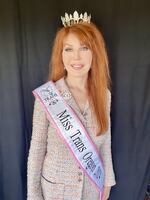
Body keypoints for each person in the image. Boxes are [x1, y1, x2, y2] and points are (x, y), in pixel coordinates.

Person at [27, 11, 116, 200]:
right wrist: (33, 196)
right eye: (68, 49)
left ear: (95, 53)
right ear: (60, 54)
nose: (76, 57)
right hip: (55, 192)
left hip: (92, 189)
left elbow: (105, 141)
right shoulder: (48, 96)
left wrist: (107, 181)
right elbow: (37, 149)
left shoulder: (104, 96)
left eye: (84, 48)